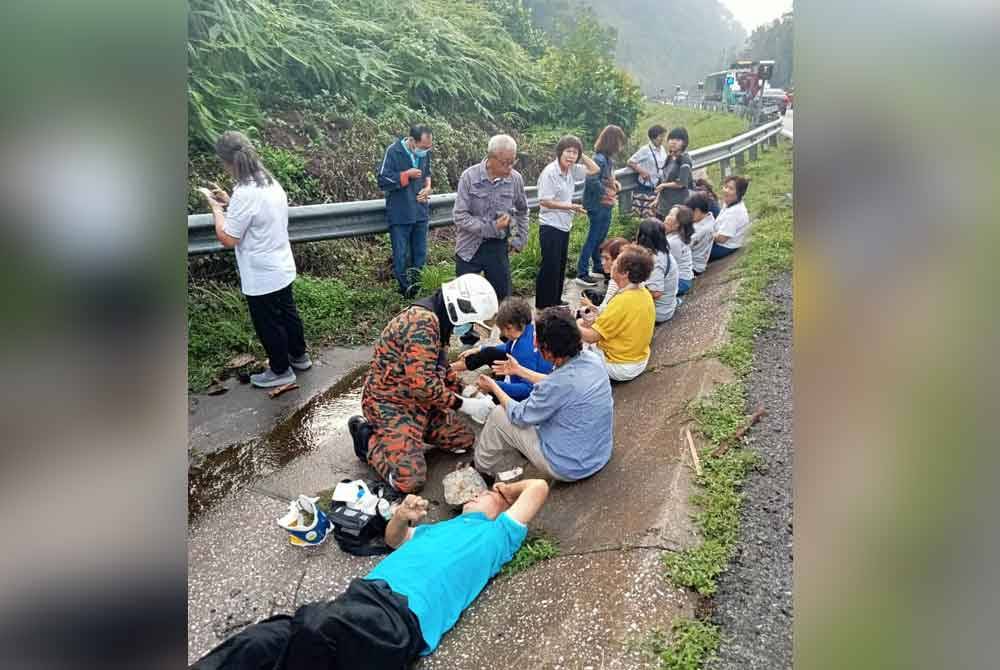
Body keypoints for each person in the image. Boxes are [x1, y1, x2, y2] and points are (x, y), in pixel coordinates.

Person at [191, 479, 550, 669]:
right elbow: (394, 540)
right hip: (359, 599)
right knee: (261, 640)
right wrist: (401, 516)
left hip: (399, 619)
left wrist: (503, 489)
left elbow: (538, 487)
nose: (474, 496)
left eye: (483, 494)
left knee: (316, 627)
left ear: (501, 507)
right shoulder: (436, 530)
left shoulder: (497, 536)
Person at [348, 274, 499, 493]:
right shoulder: (423, 323)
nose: (471, 330)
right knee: (409, 480)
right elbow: (423, 385)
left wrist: (469, 392)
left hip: (419, 403)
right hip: (390, 404)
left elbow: (439, 367)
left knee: (463, 440)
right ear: (461, 310)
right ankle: (365, 438)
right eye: (472, 323)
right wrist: (464, 404)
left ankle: (409, 437)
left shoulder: (439, 320)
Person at [196, 130, 310, 389]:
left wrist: (216, 209)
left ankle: (280, 370)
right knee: (288, 313)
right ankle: (299, 357)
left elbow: (228, 238)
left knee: (268, 321)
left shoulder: (246, 192)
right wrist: (230, 201)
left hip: (261, 273)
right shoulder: (268, 181)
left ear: (227, 162)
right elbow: (255, 213)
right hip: (281, 264)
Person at [473, 307, 613, 482]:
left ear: (548, 350)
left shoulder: (555, 385)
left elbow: (518, 415)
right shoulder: (592, 359)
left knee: (498, 414)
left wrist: (494, 387)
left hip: (570, 467)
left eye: (537, 339)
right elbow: (558, 384)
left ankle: (480, 469)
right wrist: (519, 370)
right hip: (599, 453)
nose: (534, 344)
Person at [453, 134, 529, 307]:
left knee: (504, 302)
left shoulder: (515, 179)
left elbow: (522, 210)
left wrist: (520, 238)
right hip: (469, 246)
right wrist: (492, 227)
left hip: (497, 247)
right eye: (505, 162)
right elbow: (460, 216)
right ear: (490, 158)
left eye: (513, 162)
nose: (509, 167)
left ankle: (502, 325)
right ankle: (470, 326)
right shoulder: (469, 177)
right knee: (465, 302)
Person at [535, 135, 600, 309]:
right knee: (550, 266)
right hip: (550, 225)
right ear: (559, 152)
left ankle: (555, 300)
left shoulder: (572, 169)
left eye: (575, 153)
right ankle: (544, 304)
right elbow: (544, 201)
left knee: (560, 265)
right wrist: (570, 206)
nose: (571, 156)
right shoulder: (550, 172)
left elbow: (594, 169)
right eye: (568, 151)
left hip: (564, 225)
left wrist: (581, 154)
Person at [451, 296, 553, 402]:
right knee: (488, 352)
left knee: (488, 396)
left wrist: (495, 386)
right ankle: (450, 368)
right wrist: (480, 349)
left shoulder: (524, 350)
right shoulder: (527, 329)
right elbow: (508, 347)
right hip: (512, 372)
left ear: (520, 323)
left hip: (525, 395)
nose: (504, 333)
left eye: (508, 328)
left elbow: (527, 389)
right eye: (502, 329)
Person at [577, 244, 656, 381]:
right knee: (582, 325)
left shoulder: (621, 301)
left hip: (619, 365)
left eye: (616, 261)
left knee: (575, 340)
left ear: (625, 273)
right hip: (638, 359)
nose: (612, 263)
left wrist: (572, 325)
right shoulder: (643, 292)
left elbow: (592, 337)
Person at [377, 124, 434, 298]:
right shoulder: (394, 151)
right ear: (412, 141)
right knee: (401, 255)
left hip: (420, 211)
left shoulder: (425, 153)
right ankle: (405, 291)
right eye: (423, 147)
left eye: (428, 147)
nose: (425, 151)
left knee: (420, 253)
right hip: (400, 212)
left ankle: (417, 289)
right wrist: (406, 175)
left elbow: (427, 174)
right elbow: (382, 180)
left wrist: (428, 188)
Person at [575, 125, 626, 288]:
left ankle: (598, 266)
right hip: (597, 205)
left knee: (600, 238)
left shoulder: (608, 159)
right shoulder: (599, 159)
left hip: (605, 204)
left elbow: (608, 178)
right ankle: (582, 272)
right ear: (613, 141)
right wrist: (606, 193)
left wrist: (614, 185)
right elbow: (592, 181)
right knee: (593, 238)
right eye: (619, 142)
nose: (621, 146)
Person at [635, 219, 679, 323]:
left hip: (659, 312)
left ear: (643, 237)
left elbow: (656, 293)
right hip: (667, 305)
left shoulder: (656, 260)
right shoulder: (661, 250)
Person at [578, 237, 628, 322]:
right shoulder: (632, 278)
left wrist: (589, 305)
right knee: (589, 293)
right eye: (602, 258)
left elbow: (603, 315)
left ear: (619, 261)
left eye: (607, 258)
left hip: (611, 324)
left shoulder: (617, 281)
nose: (602, 262)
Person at [626, 125, 668, 218]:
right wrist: (642, 172)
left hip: (658, 186)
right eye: (661, 136)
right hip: (645, 186)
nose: (663, 139)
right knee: (643, 214)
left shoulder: (662, 149)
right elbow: (630, 162)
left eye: (663, 136)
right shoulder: (645, 149)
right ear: (653, 137)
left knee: (654, 214)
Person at [709, 175, 752, 261]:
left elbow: (721, 239)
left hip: (723, 247)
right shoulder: (729, 202)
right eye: (725, 187)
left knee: (693, 249)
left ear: (739, 193)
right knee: (709, 202)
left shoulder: (734, 213)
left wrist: (705, 234)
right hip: (718, 234)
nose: (726, 190)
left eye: (731, 189)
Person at [654, 127, 694, 218]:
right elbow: (664, 180)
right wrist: (657, 200)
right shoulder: (669, 157)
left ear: (684, 143)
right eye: (671, 139)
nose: (673, 142)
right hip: (663, 205)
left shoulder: (685, 159)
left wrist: (663, 185)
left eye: (678, 140)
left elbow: (681, 183)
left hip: (677, 206)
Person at [664, 205, 695, 295]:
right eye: (669, 213)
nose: (667, 217)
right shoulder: (675, 236)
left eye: (671, 215)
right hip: (682, 278)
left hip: (681, 281)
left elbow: (666, 266)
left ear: (678, 224)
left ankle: (675, 301)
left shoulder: (673, 242)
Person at [685, 192, 717, 275]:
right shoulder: (710, 217)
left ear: (697, 211)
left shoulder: (701, 230)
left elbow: (683, 247)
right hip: (699, 262)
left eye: (690, 213)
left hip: (693, 266)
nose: (688, 216)